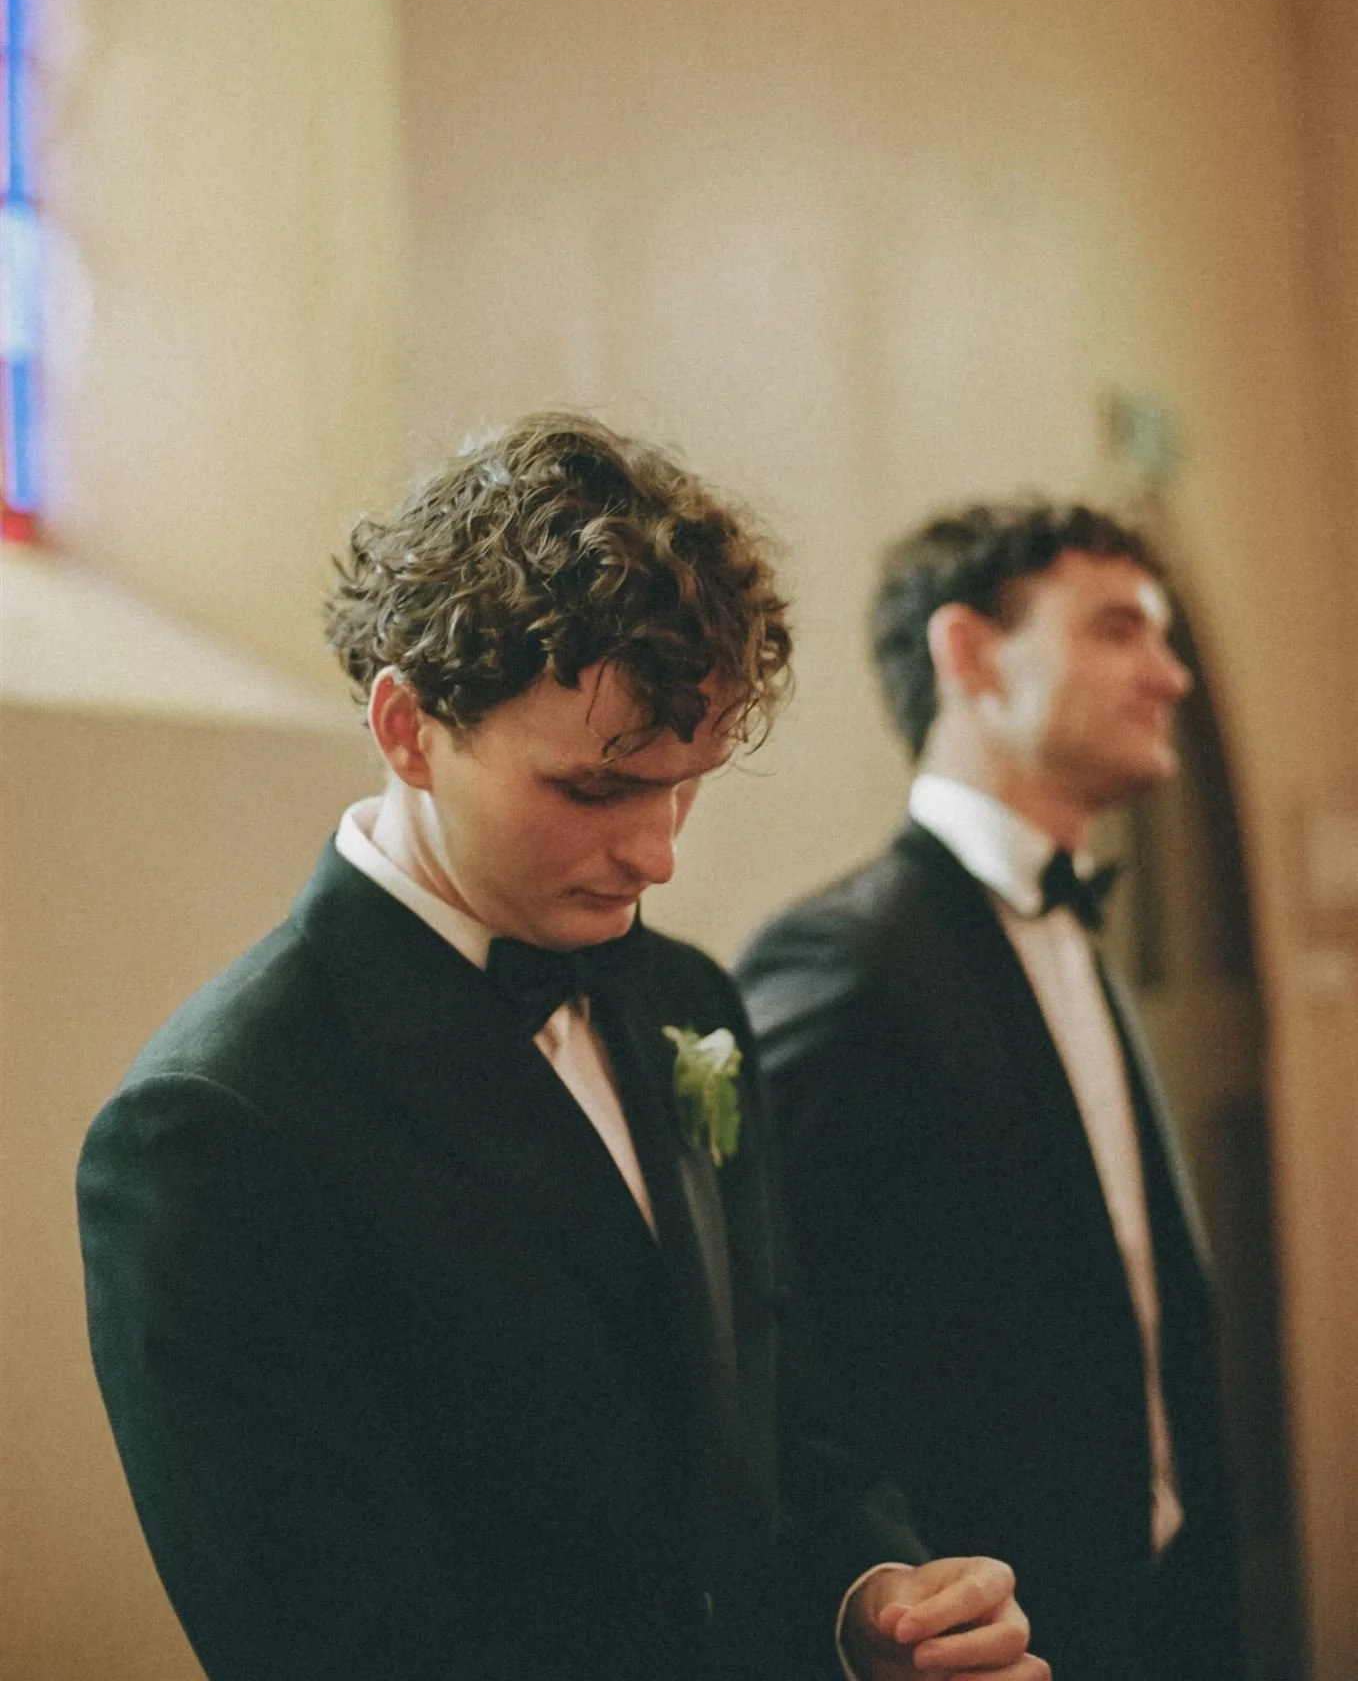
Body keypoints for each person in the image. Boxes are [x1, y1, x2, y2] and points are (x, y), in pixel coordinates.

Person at [78, 416, 1047, 1681]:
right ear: (408, 727)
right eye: (595, 789)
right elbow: (331, 1640)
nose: (657, 854)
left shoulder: (684, 996)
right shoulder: (213, 1124)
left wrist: (868, 1597)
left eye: (684, 780)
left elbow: (769, 1407)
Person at [736, 500, 1244, 1681]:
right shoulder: (841, 961)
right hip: (988, 1633)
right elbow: (775, 1354)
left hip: (1160, 1610)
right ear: (966, 654)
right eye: (1119, 629)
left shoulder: (1071, 929)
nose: (1167, 675)